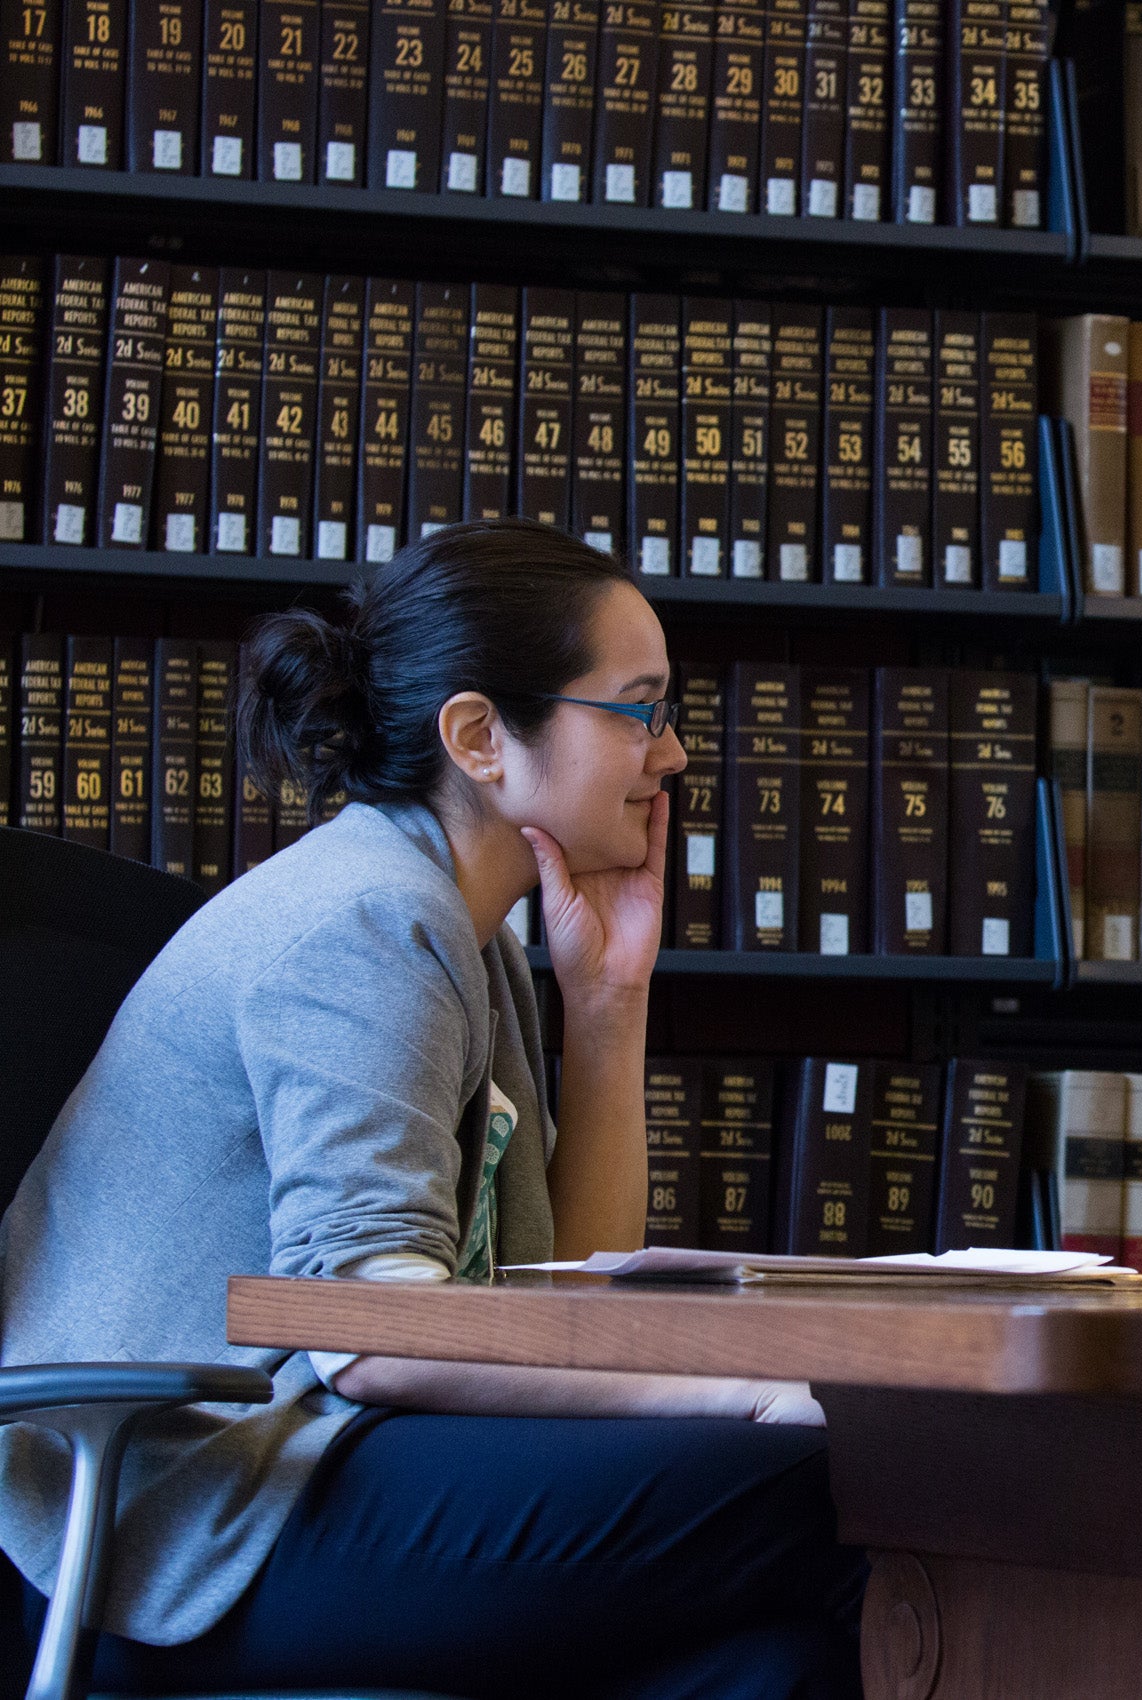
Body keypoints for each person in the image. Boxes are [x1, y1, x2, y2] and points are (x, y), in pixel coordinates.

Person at [0, 520, 861, 1699]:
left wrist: (606, 1002)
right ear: (478, 736)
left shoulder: (466, 931)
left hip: (304, 1464)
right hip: (193, 1516)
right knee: (820, 1490)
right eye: (640, 709)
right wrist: (738, 1391)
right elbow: (363, 1320)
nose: (672, 754)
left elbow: (562, 1296)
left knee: (778, 1664)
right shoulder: (366, 917)